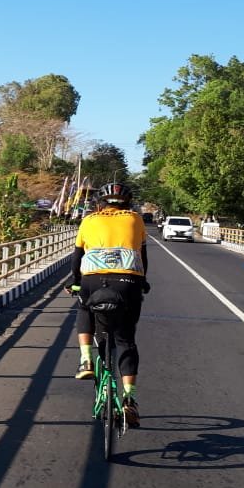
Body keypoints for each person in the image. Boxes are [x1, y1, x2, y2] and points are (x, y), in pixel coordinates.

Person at [66, 181, 149, 427]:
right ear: (127, 202)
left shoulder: (89, 220)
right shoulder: (136, 219)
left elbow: (77, 256)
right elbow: (142, 257)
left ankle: (86, 360)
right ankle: (129, 400)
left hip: (93, 280)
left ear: (99, 203)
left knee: (83, 308)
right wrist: (142, 281)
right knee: (125, 340)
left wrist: (74, 281)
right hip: (128, 282)